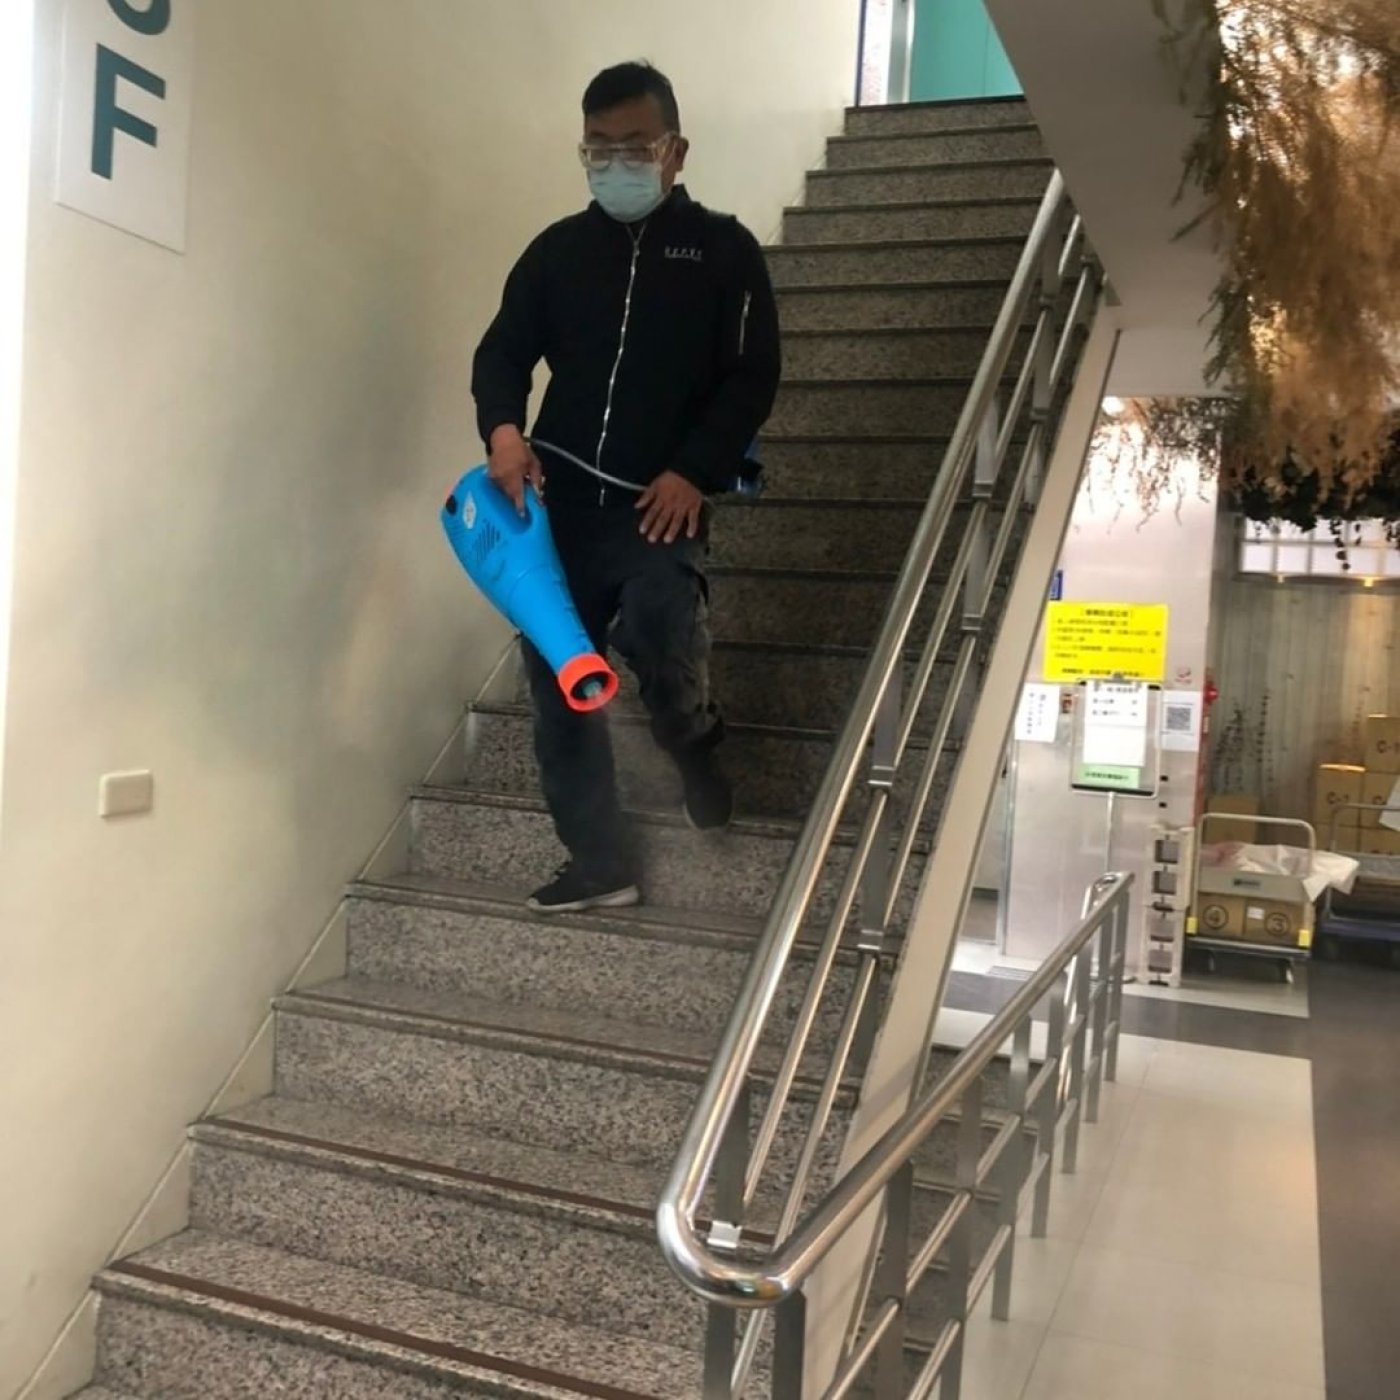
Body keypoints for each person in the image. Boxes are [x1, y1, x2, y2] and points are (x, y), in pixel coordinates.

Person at [472, 61, 782, 914]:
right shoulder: (557, 251)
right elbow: (502, 352)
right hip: (559, 509)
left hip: (659, 506)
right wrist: (504, 430)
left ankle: (695, 750)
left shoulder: (724, 251)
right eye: (598, 147)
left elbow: (752, 377)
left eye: (635, 146)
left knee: (661, 650)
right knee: (561, 685)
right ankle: (599, 862)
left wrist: (695, 471)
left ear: (675, 150)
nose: (615, 162)